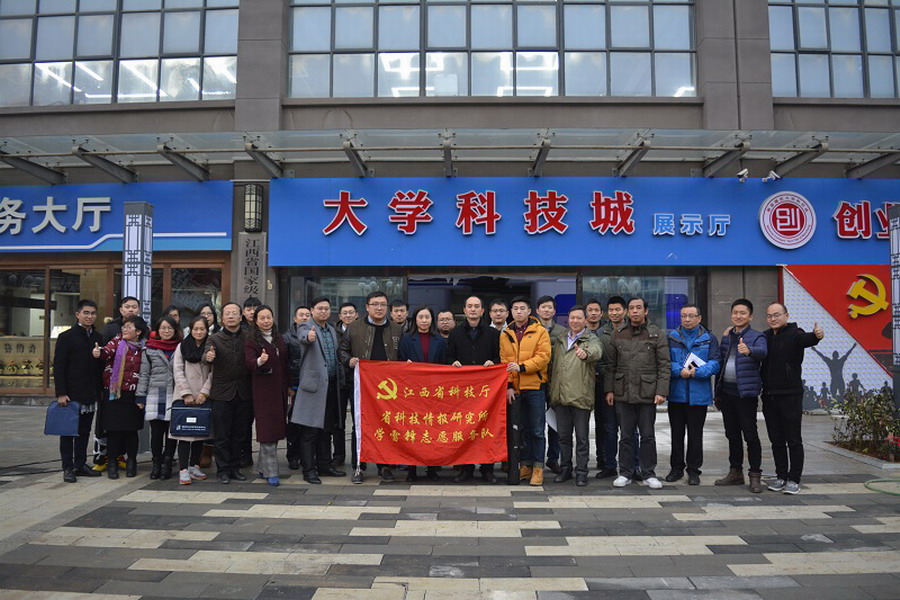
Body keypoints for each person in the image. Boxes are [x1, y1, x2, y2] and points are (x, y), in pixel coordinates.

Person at [338, 290, 405, 483]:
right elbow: (341, 350)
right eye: (375, 304)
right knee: (359, 424)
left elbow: (402, 355)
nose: (379, 308)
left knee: (386, 424)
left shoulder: (396, 329)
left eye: (383, 304)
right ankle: (358, 466)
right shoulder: (354, 327)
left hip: (388, 388)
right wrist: (349, 361)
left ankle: (384, 466)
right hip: (362, 385)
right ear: (367, 307)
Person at [604, 297, 670, 490]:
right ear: (627, 311)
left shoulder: (656, 334)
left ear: (646, 311)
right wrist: (609, 389)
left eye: (638, 308)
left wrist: (661, 391)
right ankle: (625, 472)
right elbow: (611, 365)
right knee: (625, 436)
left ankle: (649, 473)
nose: (634, 311)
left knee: (647, 435)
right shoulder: (618, 333)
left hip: (647, 392)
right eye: (631, 308)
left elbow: (664, 365)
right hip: (622, 391)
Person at [761, 303, 824, 495]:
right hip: (769, 395)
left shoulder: (795, 333)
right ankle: (781, 476)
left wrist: (816, 336)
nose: (773, 319)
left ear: (786, 316)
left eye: (777, 315)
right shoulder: (765, 336)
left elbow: (807, 339)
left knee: (793, 439)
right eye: (769, 316)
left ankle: (794, 479)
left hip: (790, 395)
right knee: (776, 439)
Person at [715, 298, 768, 493]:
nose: (738, 316)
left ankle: (755, 475)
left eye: (742, 313)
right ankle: (735, 472)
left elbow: (763, 352)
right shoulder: (727, 337)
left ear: (750, 316)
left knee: (750, 435)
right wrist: (717, 393)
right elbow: (721, 363)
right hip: (727, 394)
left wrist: (749, 351)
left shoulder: (757, 336)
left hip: (745, 395)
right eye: (735, 313)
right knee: (732, 435)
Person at [292, 297, 347, 484]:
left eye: (327, 308)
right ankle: (309, 470)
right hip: (313, 388)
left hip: (331, 386)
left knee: (326, 429)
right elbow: (303, 336)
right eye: (320, 308)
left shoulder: (331, 329)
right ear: (312, 310)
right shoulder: (306, 326)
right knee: (310, 431)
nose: (323, 311)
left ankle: (324, 465)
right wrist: (309, 337)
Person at [447, 295, 501, 483]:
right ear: (464, 310)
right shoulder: (455, 333)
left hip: (487, 392)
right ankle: (466, 469)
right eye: (469, 306)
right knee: (464, 429)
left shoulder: (493, 334)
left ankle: (487, 469)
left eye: (476, 306)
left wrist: (493, 362)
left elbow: (500, 358)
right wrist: (453, 363)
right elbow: (448, 357)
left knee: (487, 429)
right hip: (463, 391)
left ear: (482, 311)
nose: (473, 309)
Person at [665, 304, 720, 486]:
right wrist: (679, 370)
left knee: (696, 435)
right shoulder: (672, 337)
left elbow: (715, 362)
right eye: (683, 316)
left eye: (691, 316)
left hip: (699, 395)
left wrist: (698, 372)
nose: (687, 319)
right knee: (676, 434)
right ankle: (676, 468)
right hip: (677, 394)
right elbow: (665, 362)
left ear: (699, 318)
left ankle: (694, 470)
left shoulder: (709, 338)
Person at [499, 296, 550, 486]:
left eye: (522, 308)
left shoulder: (540, 331)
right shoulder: (505, 334)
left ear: (529, 311)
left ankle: (538, 468)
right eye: (515, 308)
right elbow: (504, 362)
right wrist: (509, 386)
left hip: (535, 387)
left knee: (537, 430)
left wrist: (522, 367)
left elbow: (543, 357)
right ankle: (526, 465)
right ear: (511, 312)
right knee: (522, 430)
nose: (518, 311)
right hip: (516, 390)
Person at [52, 299, 104, 483]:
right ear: (77, 314)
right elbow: (59, 366)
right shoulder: (66, 337)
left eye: (93, 313)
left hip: (90, 393)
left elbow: (100, 367)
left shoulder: (97, 337)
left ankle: (80, 464)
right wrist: (61, 392)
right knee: (68, 432)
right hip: (71, 394)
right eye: (86, 313)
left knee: (84, 431)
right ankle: (67, 467)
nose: (90, 316)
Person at [549, 305, 602, 487]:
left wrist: (586, 353)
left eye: (579, 318)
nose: (575, 321)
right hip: (561, 397)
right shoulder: (561, 339)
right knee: (563, 437)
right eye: (572, 318)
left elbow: (597, 351)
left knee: (581, 439)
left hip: (580, 397)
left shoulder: (590, 339)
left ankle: (581, 472)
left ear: (585, 320)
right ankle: (565, 469)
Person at [94, 315, 149, 479]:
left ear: (138, 332)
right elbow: (105, 353)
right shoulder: (117, 341)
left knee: (131, 431)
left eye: (129, 327)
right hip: (114, 393)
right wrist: (98, 352)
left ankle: (131, 461)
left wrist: (142, 396)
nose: (124, 329)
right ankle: (112, 462)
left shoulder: (144, 348)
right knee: (114, 431)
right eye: (124, 327)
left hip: (133, 394)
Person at [398, 305, 448, 481]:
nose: (424, 321)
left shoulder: (440, 341)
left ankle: (432, 467)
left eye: (427, 317)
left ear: (432, 320)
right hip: (413, 392)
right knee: (413, 430)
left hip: (434, 392)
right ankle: (411, 468)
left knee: (432, 430)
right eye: (421, 317)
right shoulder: (406, 339)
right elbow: (399, 363)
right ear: (415, 320)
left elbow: (444, 366)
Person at [205, 302, 253, 484]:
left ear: (241, 317)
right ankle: (223, 470)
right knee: (222, 435)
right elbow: (206, 355)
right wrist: (208, 357)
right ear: (222, 318)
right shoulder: (214, 338)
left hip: (244, 392)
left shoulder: (249, 336)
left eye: (234, 313)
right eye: (227, 313)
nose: (231, 316)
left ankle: (235, 468)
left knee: (240, 434)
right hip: (222, 393)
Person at [243, 305, 291, 486]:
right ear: (255, 321)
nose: (266, 321)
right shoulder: (251, 341)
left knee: (275, 429)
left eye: (268, 317)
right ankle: (272, 472)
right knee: (267, 430)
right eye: (262, 318)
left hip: (279, 390)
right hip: (263, 391)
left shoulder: (279, 338)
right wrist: (259, 361)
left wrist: (289, 386)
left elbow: (285, 364)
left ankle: (262, 467)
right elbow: (249, 363)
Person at [594, 296, 640, 481]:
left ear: (625, 311)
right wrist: (610, 386)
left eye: (618, 310)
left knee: (631, 430)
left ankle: (634, 466)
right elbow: (599, 363)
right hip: (608, 387)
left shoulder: (634, 330)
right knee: (609, 428)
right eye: (611, 310)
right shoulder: (600, 333)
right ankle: (610, 465)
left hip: (630, 387)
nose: (614, 313)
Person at [137, 316, 181, 480]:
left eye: (170, 328)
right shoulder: (149, 349)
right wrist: (140, 396)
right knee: (156, 433)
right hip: (155, 395)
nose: (166, 331)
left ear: (175, 330)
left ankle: (167, 463)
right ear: (157, 330)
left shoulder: (181, 348)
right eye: (163, 328)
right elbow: (144, 375)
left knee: (172, 433)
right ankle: (156, 464)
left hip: (175, 394)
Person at [172, 315, 213, 485]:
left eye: (202, 329)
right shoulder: (182, 346)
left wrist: (205, 392)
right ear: (191, 329)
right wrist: (186, 393)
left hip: (203, 395)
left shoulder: (211, 346)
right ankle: (183, 469)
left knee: (199, 433)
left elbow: (214, 372)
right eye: (196, 329)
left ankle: (194, 466)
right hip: (185, 395)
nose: (199, 332)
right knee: (184, 434)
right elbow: (177, 370)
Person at [535, 295, 566, 474]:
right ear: (537, 310)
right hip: (537, 382)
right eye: (543, 307)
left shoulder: (562, 332)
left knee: (555, 424)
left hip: (556, 383)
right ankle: (535, 459)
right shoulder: (531, 329)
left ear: (554, 311)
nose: (546, 310)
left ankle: (553, 458)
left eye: (549, 307)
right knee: (536, 423)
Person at [285, 305, 311, 470]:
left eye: (307, 315)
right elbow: (284, 364)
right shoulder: (287, 338)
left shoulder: (315, 334)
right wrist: (288, 386)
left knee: (309, 425)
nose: (304, 318)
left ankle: (307, 456)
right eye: (301, 315)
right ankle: (292, 456)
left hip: (311, 386)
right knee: (294, 423)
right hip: (295, 386)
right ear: (295, 319)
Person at [333, 301, 358, 466]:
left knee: (358, 421)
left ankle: (358, 458)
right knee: (338, 422)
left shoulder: (361, 331)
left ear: (356, 315)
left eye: (351, 313)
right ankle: (338, 456)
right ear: (340, 316)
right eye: (345, 313)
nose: (348, 315)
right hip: (338, 381)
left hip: (357, 382)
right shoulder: (332, 332)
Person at [238, 296, 261, 468]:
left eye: (255, 308)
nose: (252, 312)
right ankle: (244, 454)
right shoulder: (239, 330)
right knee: (244, 422)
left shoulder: (265, 328)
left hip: (261, 380)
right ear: (243, 312)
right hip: (243, 381)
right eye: (248, 309)